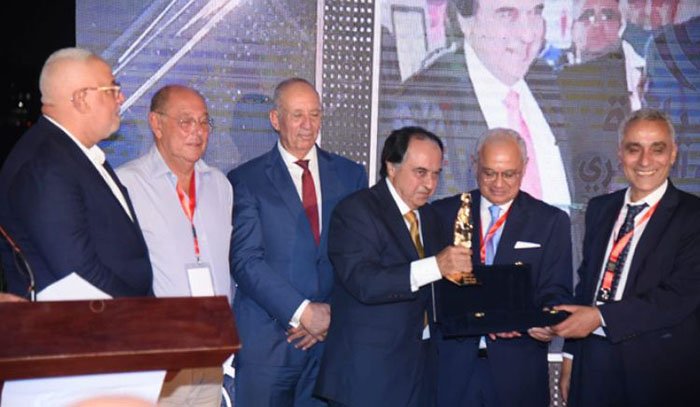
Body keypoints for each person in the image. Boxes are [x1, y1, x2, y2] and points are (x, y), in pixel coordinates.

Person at [227, 77, 367, 406]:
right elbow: (245, 261)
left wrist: (331, 314)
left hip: (330, 345)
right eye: (298, 115)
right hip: (268, 345)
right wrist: (302, 312)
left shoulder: (350, 175)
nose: (308, 125)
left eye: (315, 115)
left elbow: (360, 256)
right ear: (275, 119)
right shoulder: (246, 179)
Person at [553, 108, 700, 406]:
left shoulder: (693, 215)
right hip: (592, 361)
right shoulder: (599, 208)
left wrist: (601, 317)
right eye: (634, 149)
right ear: (620, 153)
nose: (645, 161)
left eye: (657, 149)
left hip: (658, 370)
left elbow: (679, 296)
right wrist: (569, 355)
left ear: (673, 154)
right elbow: (587, 286)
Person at [315, 126, 471, 407]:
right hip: (368, 378)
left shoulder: (431, 217)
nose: (430, 184)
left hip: (422, 371)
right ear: (391, 166)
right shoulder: (356, 210)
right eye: (420, 172)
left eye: (436, 174)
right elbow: (364, 282)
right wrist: (435, 266)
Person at [431, 128, 573, 407]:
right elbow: (432, 293)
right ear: (474, 164)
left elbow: (556, 290)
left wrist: (545, 321)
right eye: (489, 173)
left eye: (509, 174)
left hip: (518, 374)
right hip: (452, 371)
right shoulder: (442, 214)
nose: (498, 183)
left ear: (525, 167)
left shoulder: (550, 221)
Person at [389, 0, 571, 211]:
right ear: (465, 21)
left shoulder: (551, 83)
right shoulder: (420, 107)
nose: (528, 35)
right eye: (506, 14)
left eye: (535, 12)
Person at [0, 47, 152, 298]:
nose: (121, 98)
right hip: (90, 319)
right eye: (112, 89)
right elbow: (80, 274)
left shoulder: (71, 153)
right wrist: (141, 312)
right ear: (82, 98)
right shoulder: (45, 164)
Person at [116, 85, 231, 406]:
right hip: (157, 355)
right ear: (156, 123)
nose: (198, 131)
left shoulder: (220, 185)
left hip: (210, 350)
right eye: (186, 121)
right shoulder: (127, 184)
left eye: (204, 122)